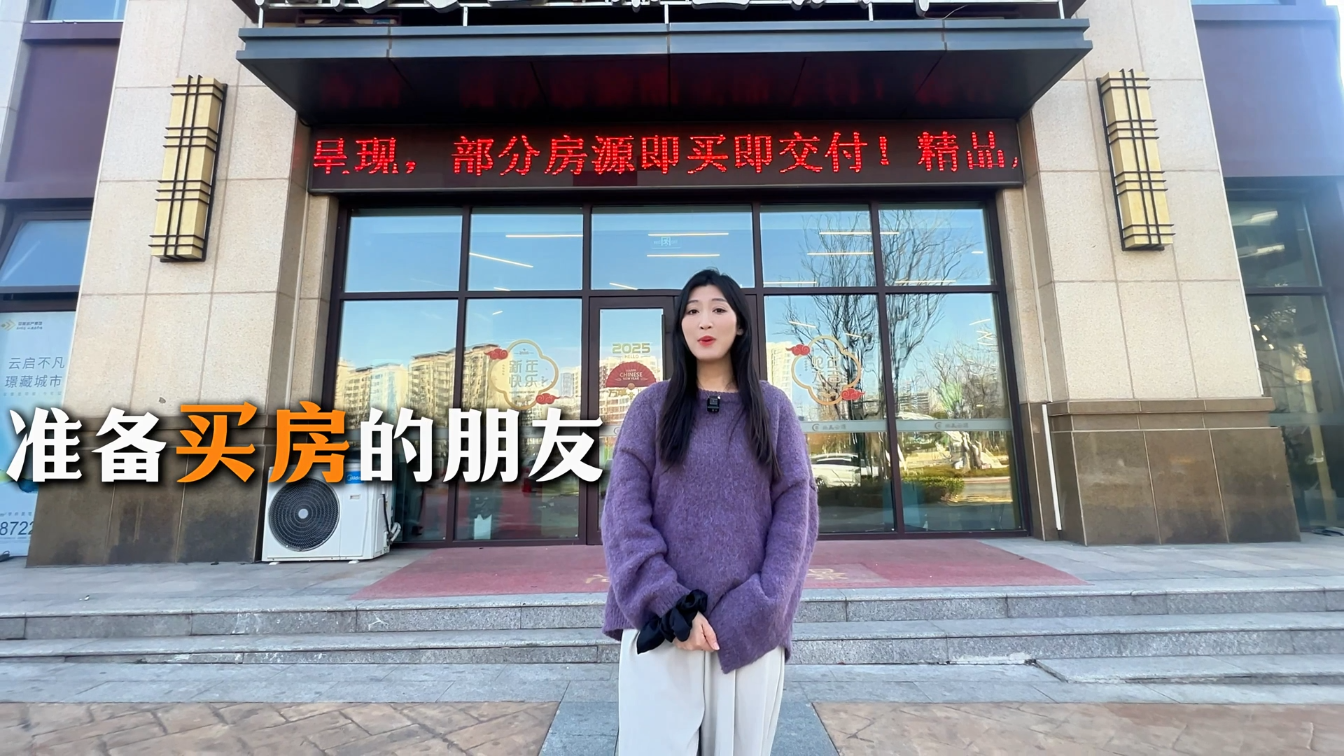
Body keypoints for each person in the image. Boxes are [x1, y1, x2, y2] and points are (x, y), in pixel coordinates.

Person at [601, 269, 820, 756]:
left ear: (739, 325)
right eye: (692, 310)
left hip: (747, 629)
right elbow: (623, 513)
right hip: (663, 626)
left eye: (718, 309)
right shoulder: (652, 406)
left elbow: (797, 513)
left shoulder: (773, 408)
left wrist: (764, 602)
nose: (704, 320)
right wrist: (667, 601)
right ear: (680, 326)